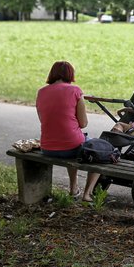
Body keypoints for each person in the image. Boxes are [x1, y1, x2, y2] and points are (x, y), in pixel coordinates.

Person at [36, 60, 99, 202]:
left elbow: (44, 120)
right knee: (99, 151)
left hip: (47, 147)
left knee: (74, 143)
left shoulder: (41, 92)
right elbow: (83, 124)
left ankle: (73, 189)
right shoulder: (75, 91)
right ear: (70, 74)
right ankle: (87, 194)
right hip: (71, 147)